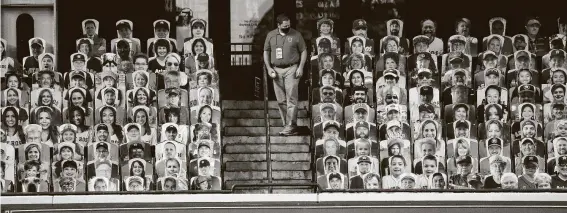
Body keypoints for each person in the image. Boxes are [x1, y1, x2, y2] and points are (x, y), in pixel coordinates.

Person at [263, 14, 307, 135]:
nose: (287, 28)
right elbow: (266, 52)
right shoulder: (271, 35)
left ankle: (290, 125)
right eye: (285, 26)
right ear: (278, 25)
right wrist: (269, 68)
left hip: (291, 68)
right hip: (276, 70)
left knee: (291, 98)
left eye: (289, 25)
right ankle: (286, 125)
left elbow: (303, 50)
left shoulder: (296, 35)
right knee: (281, 100)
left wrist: (301, 67)